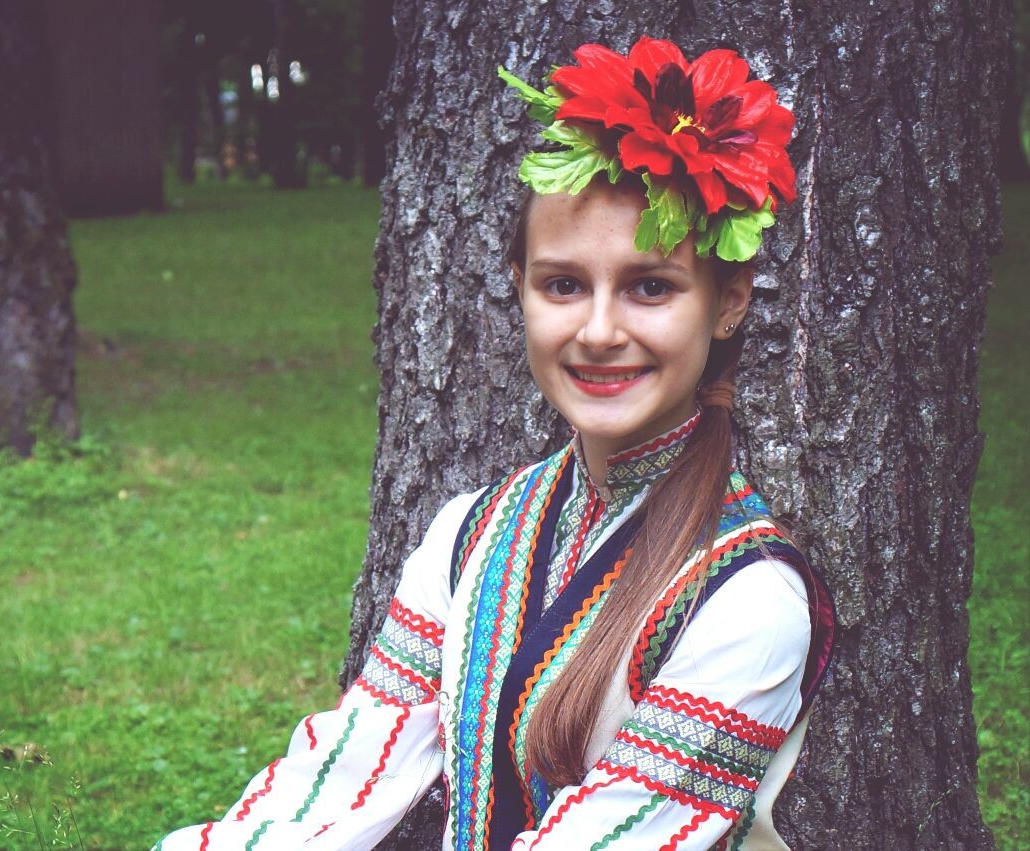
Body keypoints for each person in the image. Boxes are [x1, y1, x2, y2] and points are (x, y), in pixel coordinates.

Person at [155, 35, 835, 851]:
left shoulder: (750, 597)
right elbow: (339, 780)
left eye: (651, 286)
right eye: (563, 284)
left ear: (726, 304)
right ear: (519, 290)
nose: (598, 330)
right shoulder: (470, 533)